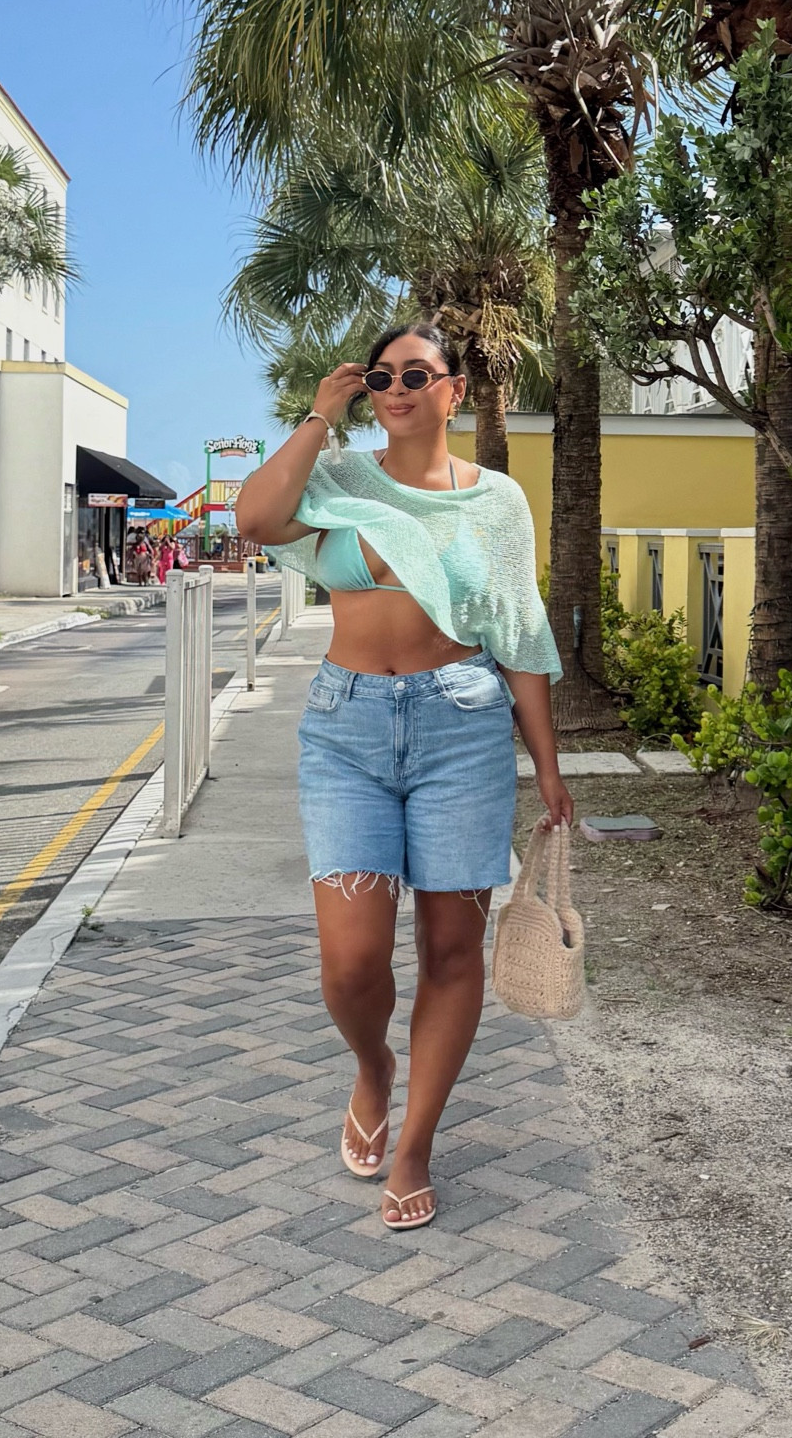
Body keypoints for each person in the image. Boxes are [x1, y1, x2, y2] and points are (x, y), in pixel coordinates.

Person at [235, 324, 569, 1232]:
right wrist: (316, 418)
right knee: (350, 962)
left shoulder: (495, 502)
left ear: (453, 390)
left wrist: (547, 766)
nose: (396, 388)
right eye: (382, 377)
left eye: (415, 375)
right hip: (346, 728)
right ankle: (374, 1067)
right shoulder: (338, 477)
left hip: (461, 724)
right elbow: (256, 521)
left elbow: (520, 635)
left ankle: (416, 1141)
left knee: (452, 952)